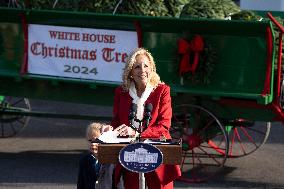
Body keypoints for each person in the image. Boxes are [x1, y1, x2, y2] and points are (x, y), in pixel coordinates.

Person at [111, 47, 181, 189]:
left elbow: (164, 125)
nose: (142, 70)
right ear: (130, 72)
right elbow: (117, 122)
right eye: (137, 67)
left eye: (146, 66)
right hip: (130, 155)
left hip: (157, 155)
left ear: (152, 69)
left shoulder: (162, 90)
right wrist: (108, 130)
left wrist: (137, 134)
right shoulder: (121, 92)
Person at [77, 122, 124, 189]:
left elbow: (118, 183)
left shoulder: (112, 161)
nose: (93, 144)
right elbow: (81, 183)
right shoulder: (84, 160)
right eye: (90, 140)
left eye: (97, 140)